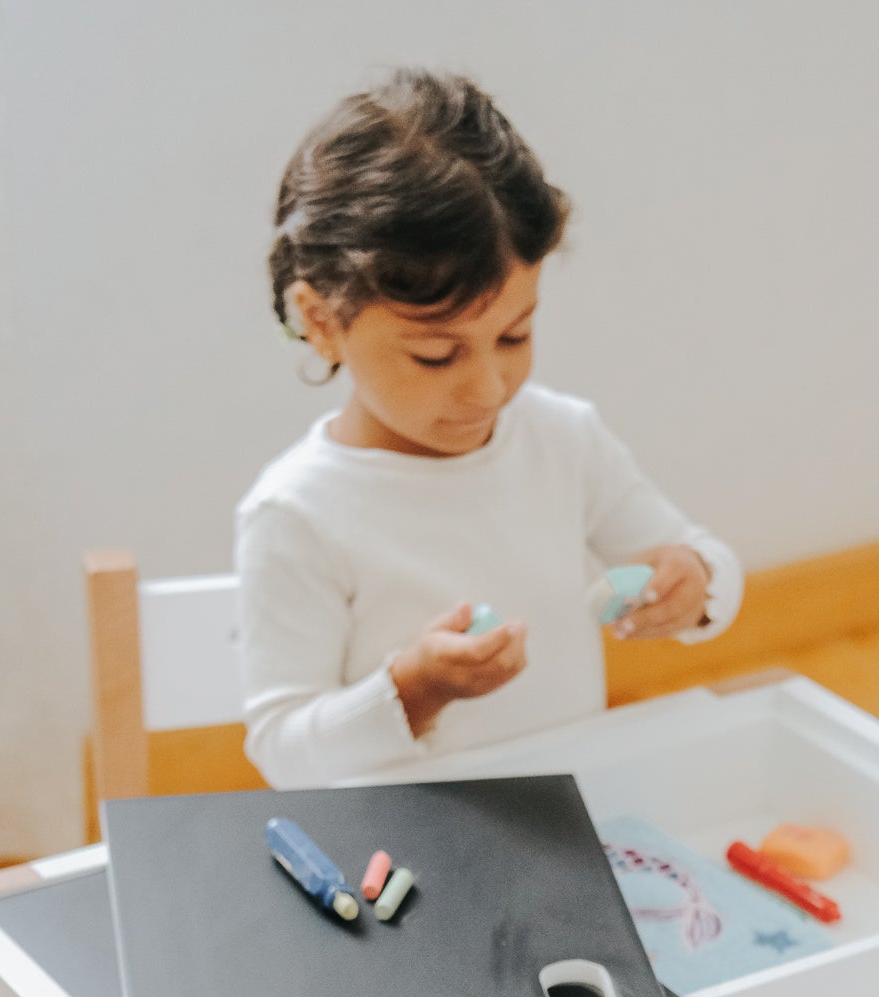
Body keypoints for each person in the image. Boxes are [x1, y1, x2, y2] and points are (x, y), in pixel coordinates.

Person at [238, 70, 743, 787]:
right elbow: (283, 750)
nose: (487, 387)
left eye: (514, 336)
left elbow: (698, 557)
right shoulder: (296, 514)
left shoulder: (563, 441)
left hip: (567, 815)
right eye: (436, 354)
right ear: (321, 322)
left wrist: (693, 583)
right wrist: (416, 689)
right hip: (404, 846)